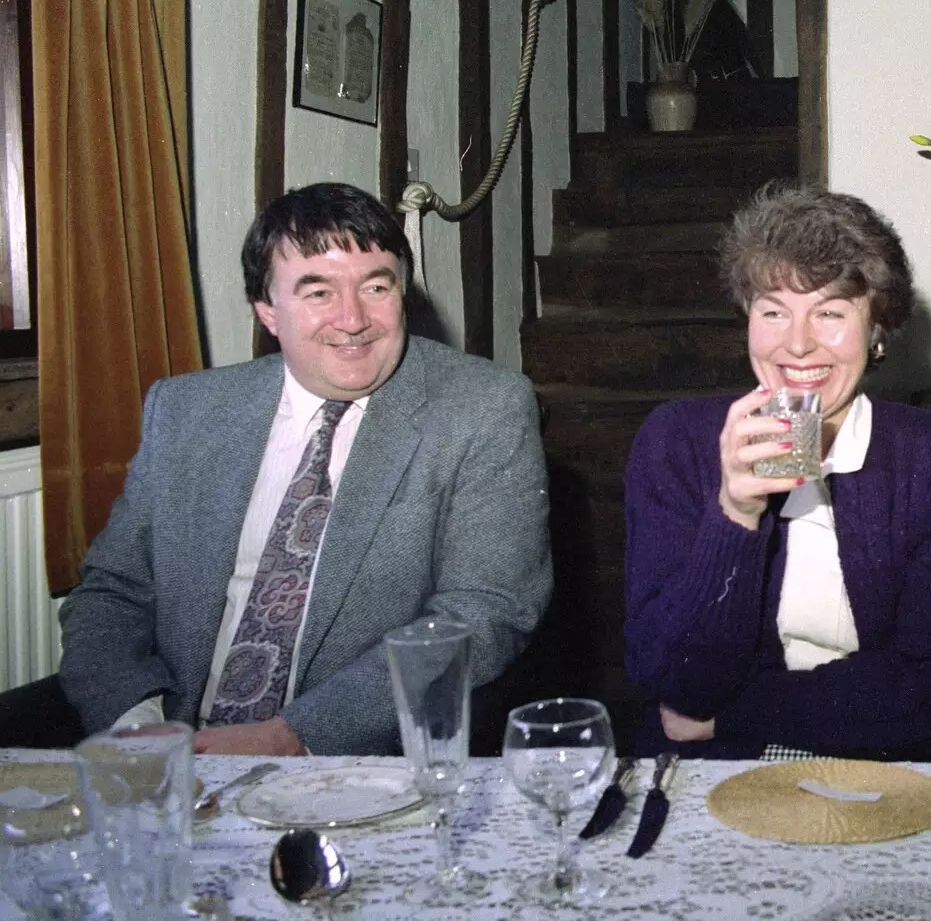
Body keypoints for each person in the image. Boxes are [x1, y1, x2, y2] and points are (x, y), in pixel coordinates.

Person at [0, 182, 553, 755]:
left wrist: (294, 736)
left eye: (376, 286)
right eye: (317, 292)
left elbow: (483, 613)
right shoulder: (187, 410)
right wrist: (138, 726)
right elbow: (112, 592)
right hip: (173, 740)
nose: (353, 319)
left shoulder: (483, 408)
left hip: (349, 754)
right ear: (268, 311)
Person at [623, 185, 931, 760]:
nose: (797, 344)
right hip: (714, 770)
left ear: (878, 330)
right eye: (774, 311)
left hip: (875, 762)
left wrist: (733, 713)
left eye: (829, 312)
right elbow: (674, 682)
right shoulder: (677, 442)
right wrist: (735, 515)